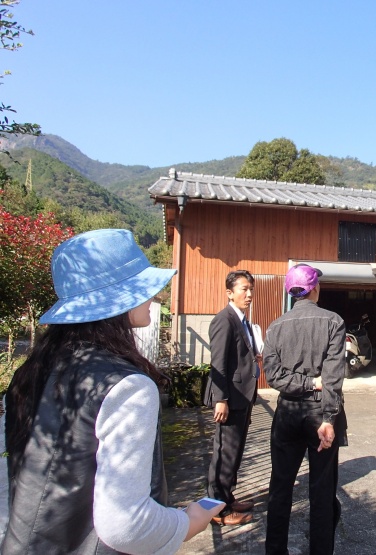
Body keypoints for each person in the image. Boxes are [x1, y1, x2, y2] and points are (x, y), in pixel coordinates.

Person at [1, 228, 225, 554]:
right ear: (119, 298)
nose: (155, 298)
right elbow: (124, 525)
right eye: (144, 288)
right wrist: (189, 521)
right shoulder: (128, 387)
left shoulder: (30, 373)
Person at [263, 263, 348, 555]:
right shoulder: (333, 321)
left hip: (286, 413)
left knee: (280, 487)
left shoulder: (276, 326)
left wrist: (302, 382)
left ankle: (274, 551)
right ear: (314, 289)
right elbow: (333, 376)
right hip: (318, 414)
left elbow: (273, 376)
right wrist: (328, 417)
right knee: (321, 491)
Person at [203, 269, 260, 526]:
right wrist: (221, 398)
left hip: (243, 397)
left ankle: (227, 496)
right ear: (229, 292)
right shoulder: (224, 320)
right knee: (225, 452)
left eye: (250, 289)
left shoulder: (242, 319)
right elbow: (218, 364)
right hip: (231, 398)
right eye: (243, 289)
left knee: (234, 452)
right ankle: (218, 509)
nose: (248, 294)